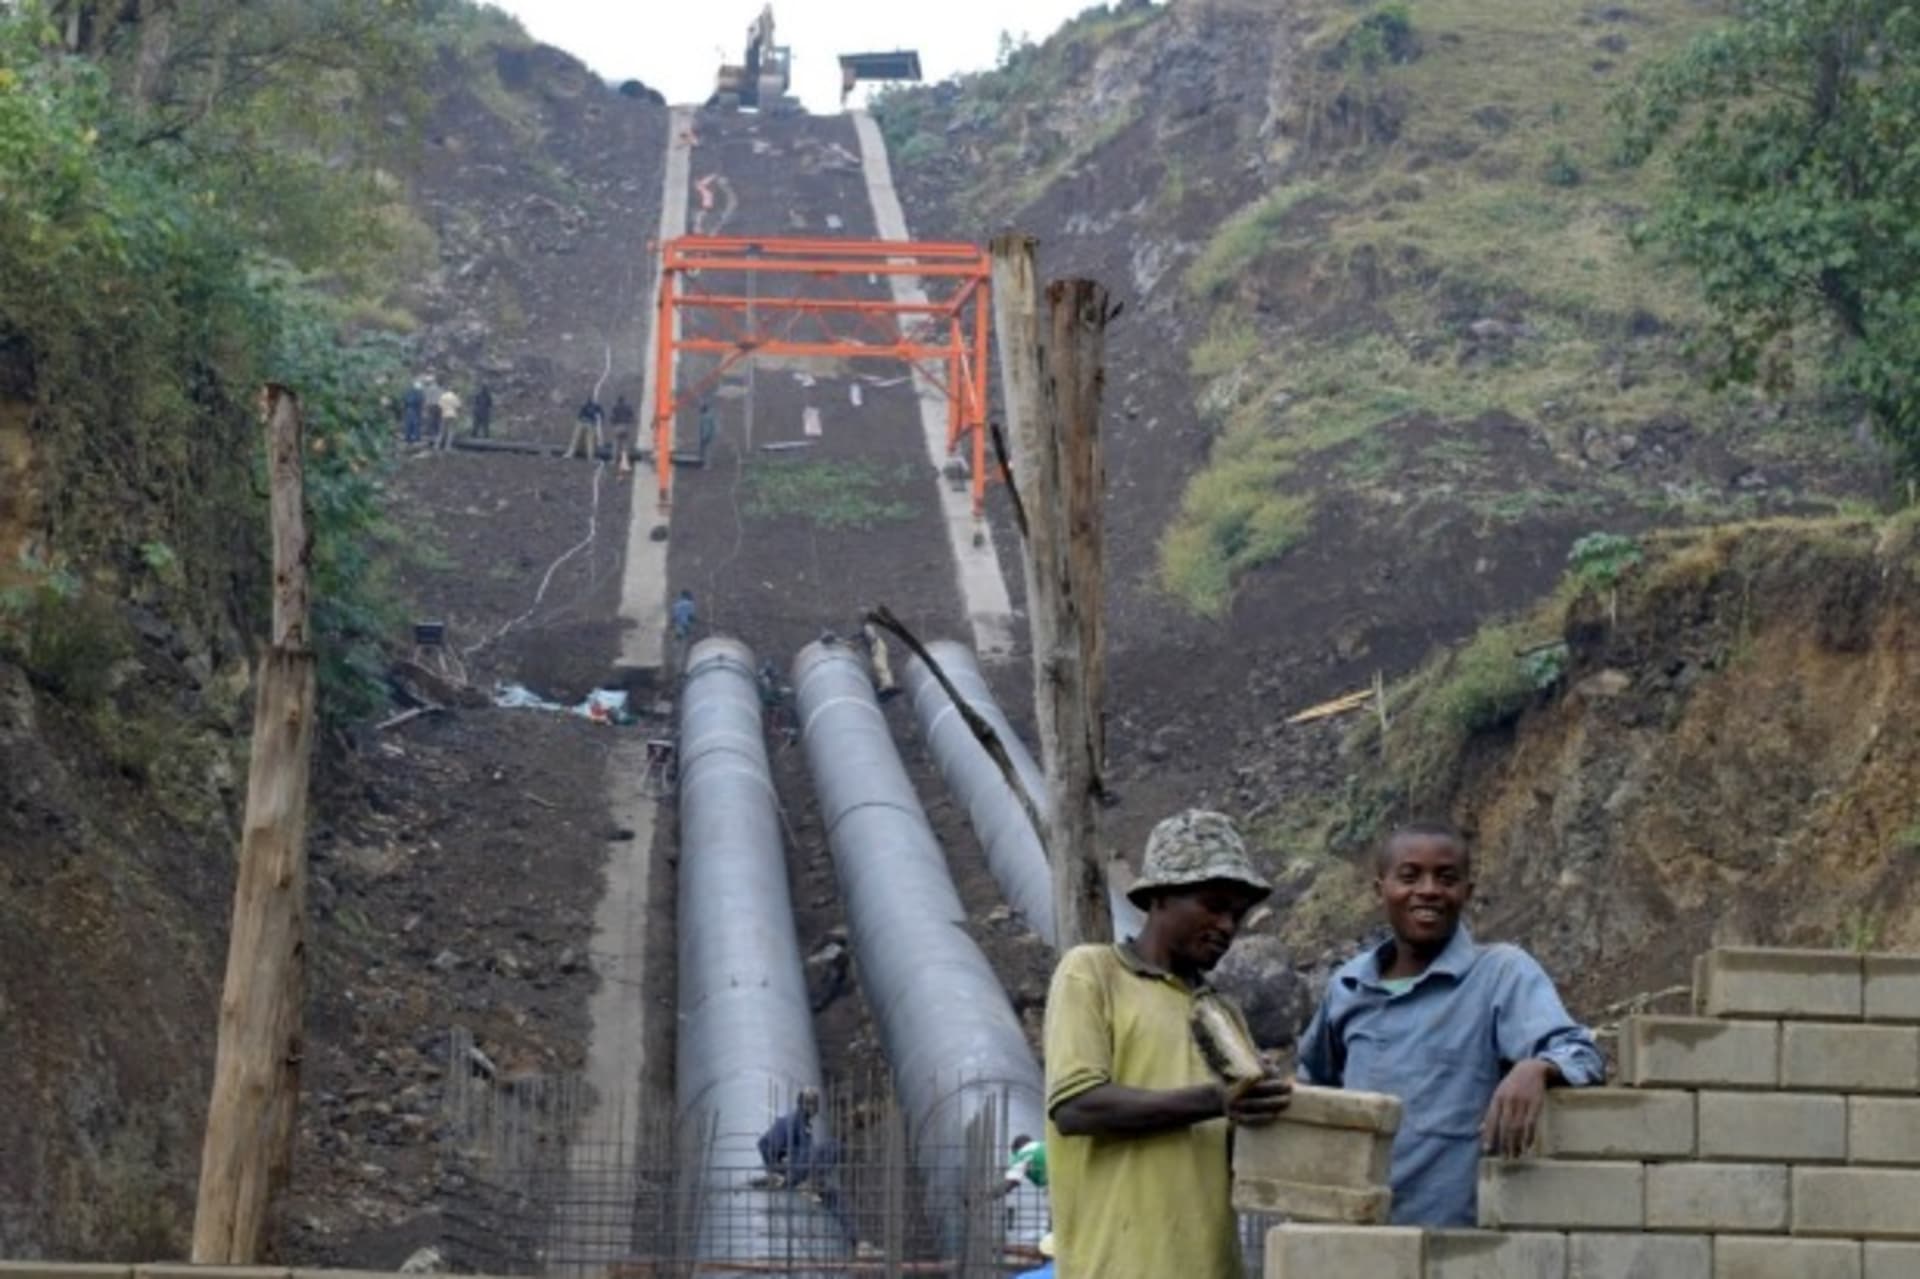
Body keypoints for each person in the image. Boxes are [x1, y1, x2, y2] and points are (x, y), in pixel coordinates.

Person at [1296, 822, 1604, 1228]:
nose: (1428, 890)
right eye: (1409, 876)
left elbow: (1581, 1052)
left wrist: (1538, 1068)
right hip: (1356, 1241)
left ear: (1467, 893)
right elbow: (1313, 1089)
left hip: (1458, 1248)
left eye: (1447, 878)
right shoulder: (1348, 986)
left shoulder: (1500, 974)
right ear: (1380, 889)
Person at [1044, 809, 1291, 1279]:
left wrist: (1269, 1111)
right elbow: (1077, 1107)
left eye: (1237, 914)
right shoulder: (1094, 974)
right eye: (1213, 905)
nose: (1226, 925)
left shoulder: (1224, 1012)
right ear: (1158, 897)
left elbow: (1240, 1152)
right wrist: (1219, 1099)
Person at [993, 1133, 1046, 1200]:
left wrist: (990, 1195)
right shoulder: (1043, 1144)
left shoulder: (1020, 1156)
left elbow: (1011, 1182)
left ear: (1015, 1150)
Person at [566, 394, 605, 460]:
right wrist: (598, 420)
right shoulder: (596, 406)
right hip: (590, 423)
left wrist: (581, 420)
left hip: (583, 422)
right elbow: (602, 414)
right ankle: (590, 456)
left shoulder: (586, 405)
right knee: (589, 441)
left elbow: (580, 415)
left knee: (576, 439)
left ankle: (570, 453)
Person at [610, 394, 638, 475]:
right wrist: (631, 422)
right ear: (624, 400)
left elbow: (612, 417)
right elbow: (632, 417)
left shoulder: (615, 407)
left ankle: (613, 460)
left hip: (617, 427)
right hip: (625, 427)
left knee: (615, 444)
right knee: (625, 446)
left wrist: (613, 423)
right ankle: (625, 462)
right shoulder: (627, 407)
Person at [436, 384, 462, 450]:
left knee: (441, 431)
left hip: (444, 414)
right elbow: (458, 406)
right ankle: (447, 447)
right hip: (452, 415)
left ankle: (437, 445)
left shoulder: (443, 396)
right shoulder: (455, 397)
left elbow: (439, 406)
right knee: (451, 431)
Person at [421, 377, 442, 449]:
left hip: (434, 406)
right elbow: (428, 398)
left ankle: (433, 434)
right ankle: (434, 434)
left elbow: (427, 398)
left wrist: (426, 406)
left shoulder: (433, 388)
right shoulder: (437, 388)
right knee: (434, 420)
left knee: (433, 420)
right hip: (436, 406)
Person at [402, 379, 425, 444]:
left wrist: (404, 409)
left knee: (409, 424)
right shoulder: (418, 393)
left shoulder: (407, 392)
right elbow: (420, 401)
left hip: (409, 409)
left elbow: (404, 401)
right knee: (415, 423)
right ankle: (416, 437)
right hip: (415, 410)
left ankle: (408, 437)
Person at [696, 398, 717, 465]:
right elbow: (713, 426)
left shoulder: (704, 417)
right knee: (706, 450)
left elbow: (704, 428)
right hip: (708, 435)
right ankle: (705, 462)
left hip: (705, 436)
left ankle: (705, 463)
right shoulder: (709, 416)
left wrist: (703, 436)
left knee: (705, 450)